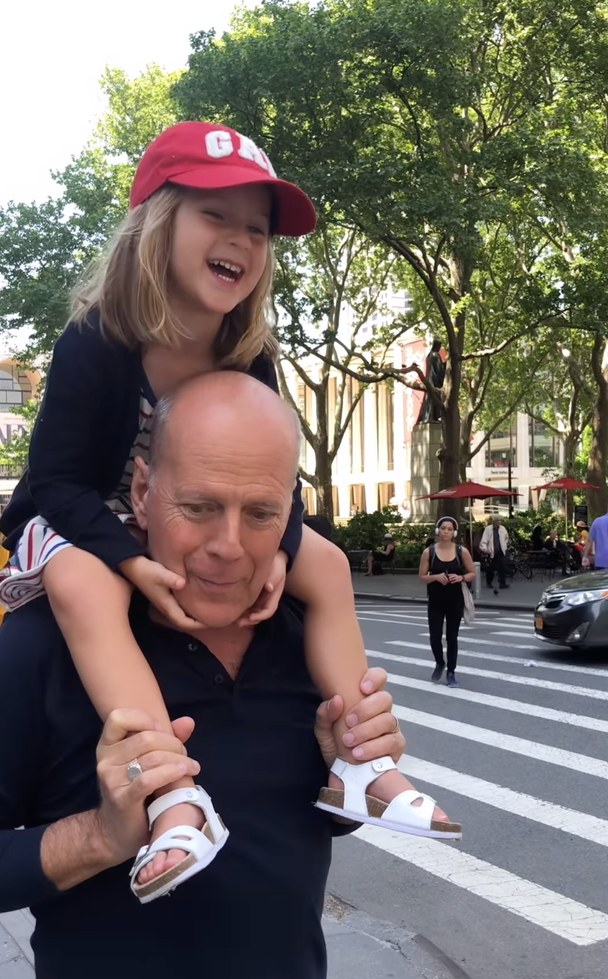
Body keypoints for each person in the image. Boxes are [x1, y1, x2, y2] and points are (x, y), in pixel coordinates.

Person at [0, 121, 458, 904]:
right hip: (82, 516)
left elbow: (278, 479)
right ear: (157, 219)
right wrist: (131, 559)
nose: (240, 241)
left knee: (329, 560)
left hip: (184, 513)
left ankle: (361, 762)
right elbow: (56, 479)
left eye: (257, 229)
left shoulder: (248, 348)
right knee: (83, 584)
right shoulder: (97, 337)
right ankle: (171, 790)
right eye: (217, 217)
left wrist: (281, 547)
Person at [0, 373, 413, 979]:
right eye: (197, 508)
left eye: (260, 514)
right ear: (141, 490)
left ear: (293, 509)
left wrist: (347, 773)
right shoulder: (41, 644)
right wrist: (103, 836)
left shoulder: (311, 639)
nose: (228, 546)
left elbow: (306, 826)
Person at [418, 516, 476, 687]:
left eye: (450, 529)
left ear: (454, 533)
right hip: (435, 601)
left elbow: (473, 572)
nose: (446, 532)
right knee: (435, 637)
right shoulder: (429, 552)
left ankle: (451, 672)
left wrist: (461, 577)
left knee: (452, 637)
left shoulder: (461, 551)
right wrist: (435, 577)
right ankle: (439, 662)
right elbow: (421, 577)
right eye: (443, 528)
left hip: (455, 601)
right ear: (438, 530)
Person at [479, 515, 509, 590]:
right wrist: (486, 550)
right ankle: (489, 582)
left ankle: (502, 583)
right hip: (491, 552)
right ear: (493, 522)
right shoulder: (488, 529)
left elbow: (506, 538)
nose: (499, 522)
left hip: (500, 551)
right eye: (497, 521)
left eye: (499, 521)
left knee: (502, 567)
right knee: (490, 568)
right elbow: (484, 540)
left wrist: (504, 546)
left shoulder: (503, 529)